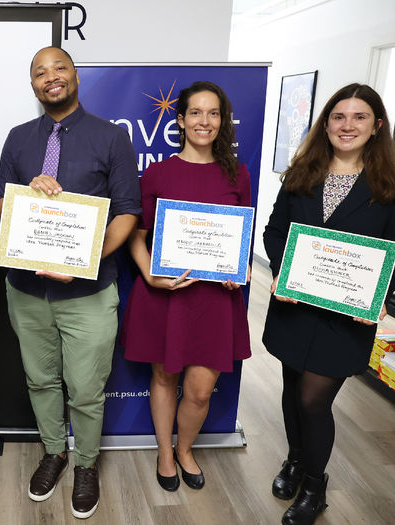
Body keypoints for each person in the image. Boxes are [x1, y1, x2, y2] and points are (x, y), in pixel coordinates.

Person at [0, 46, 141, 519]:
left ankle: (86, 464)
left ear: (75, 76)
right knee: (40, 380)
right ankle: (54, 452)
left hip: (89, 292)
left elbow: (128, 213)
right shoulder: (17, 139)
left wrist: (84, 259)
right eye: (40, 72)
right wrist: (24, 195)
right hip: (27, 290)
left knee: (86, 388)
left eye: (59, 68)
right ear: (32, 84)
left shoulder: (112, 138)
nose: (50, 77)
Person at [262, 83, 395, 525]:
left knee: (313, 402)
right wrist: (283, 273)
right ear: (326, 124)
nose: (348, 126)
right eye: (339, 117)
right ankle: (295, 460)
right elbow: (274, 232)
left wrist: (381, 293)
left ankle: (315, 486)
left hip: (347, 316)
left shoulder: (392, 186)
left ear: (377, 126)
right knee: (290, 391)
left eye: (359, 117)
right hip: (295, 307)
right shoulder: (301, 174)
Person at [120, 81, 252, 492]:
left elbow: (241, 241)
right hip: (167, 296)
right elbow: (136, 235)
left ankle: (186, 448)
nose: (205, 121)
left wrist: (240, 268)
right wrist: (148, 274)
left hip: (214, 300)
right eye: (196, 112)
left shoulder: (238, 173)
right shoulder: (158, 173)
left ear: (222, 122)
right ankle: (165, 451)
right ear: (180, 120)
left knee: (198, 390)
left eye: (214, 113)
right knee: (163, 377)